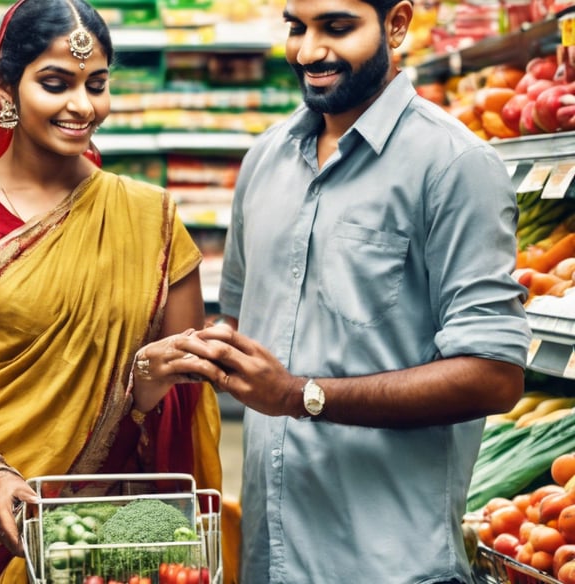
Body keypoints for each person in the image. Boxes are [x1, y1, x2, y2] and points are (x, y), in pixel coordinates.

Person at [171, 0, 534, 582]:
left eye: (337, 28)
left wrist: (298, 394)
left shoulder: (454, 165)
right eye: (297, 28)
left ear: (396, 25)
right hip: (270, 557)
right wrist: (192, 354)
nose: (310, 51)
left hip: (389, 563)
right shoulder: (265, 159)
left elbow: (493, 374)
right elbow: (244, 323)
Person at [0, 1, 222, 582]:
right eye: (56, 84)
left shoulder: (152, 217)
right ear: (7, 89)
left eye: (98, 84)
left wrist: (150, 379)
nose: (82, 106)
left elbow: (176, 396)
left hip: (101, 520)